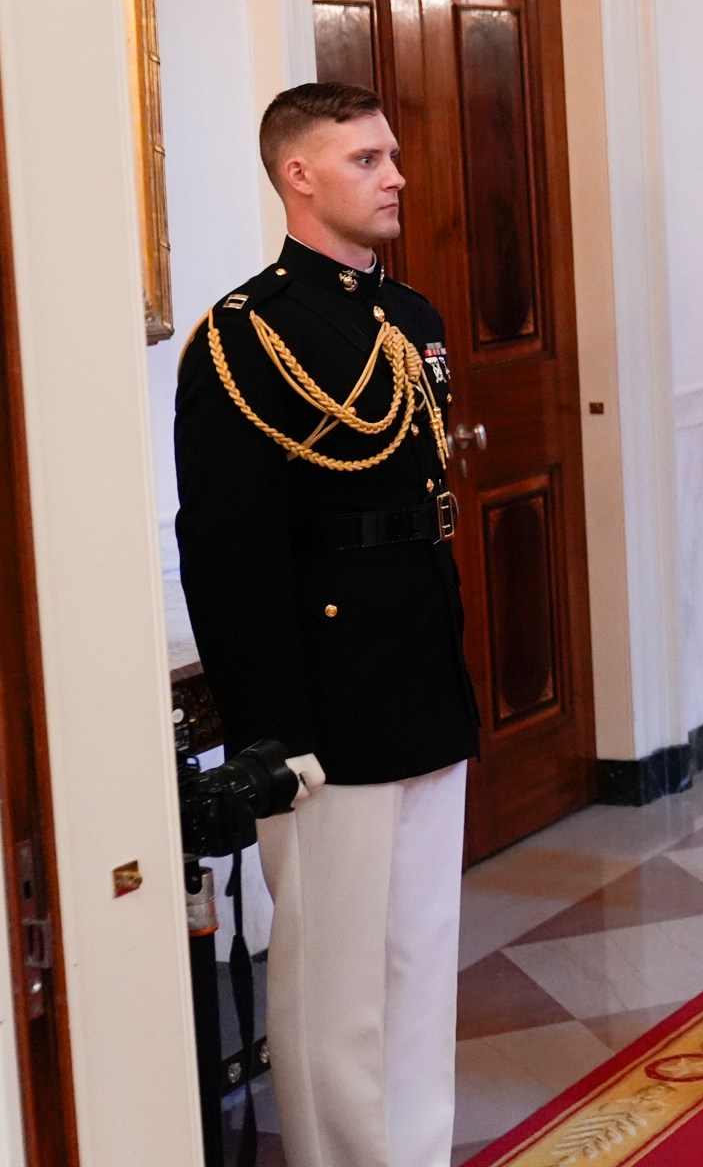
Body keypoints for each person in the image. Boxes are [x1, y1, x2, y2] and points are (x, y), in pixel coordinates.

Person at [175, 82, 478, 1167]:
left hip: (418, 675)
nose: (394, 175)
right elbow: (227, 552)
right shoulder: (244, 336)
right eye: (365, 159)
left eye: (391, 155)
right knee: (332, 985)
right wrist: (273, 733)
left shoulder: (411, 318)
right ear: (298, 174)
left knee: (416, 959)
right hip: (327, 697)